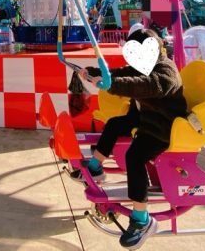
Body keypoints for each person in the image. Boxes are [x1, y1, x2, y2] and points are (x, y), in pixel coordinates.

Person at [73, 25, 186, 249]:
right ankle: (95, 166)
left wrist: (112, 85)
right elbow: (121, 73)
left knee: (135, 156)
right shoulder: (143, 65)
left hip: (163, 127)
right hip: (145, 118)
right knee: (115, 124)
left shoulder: (166, 72)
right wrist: (94, 73)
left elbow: (145, 86)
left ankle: (142, 220)